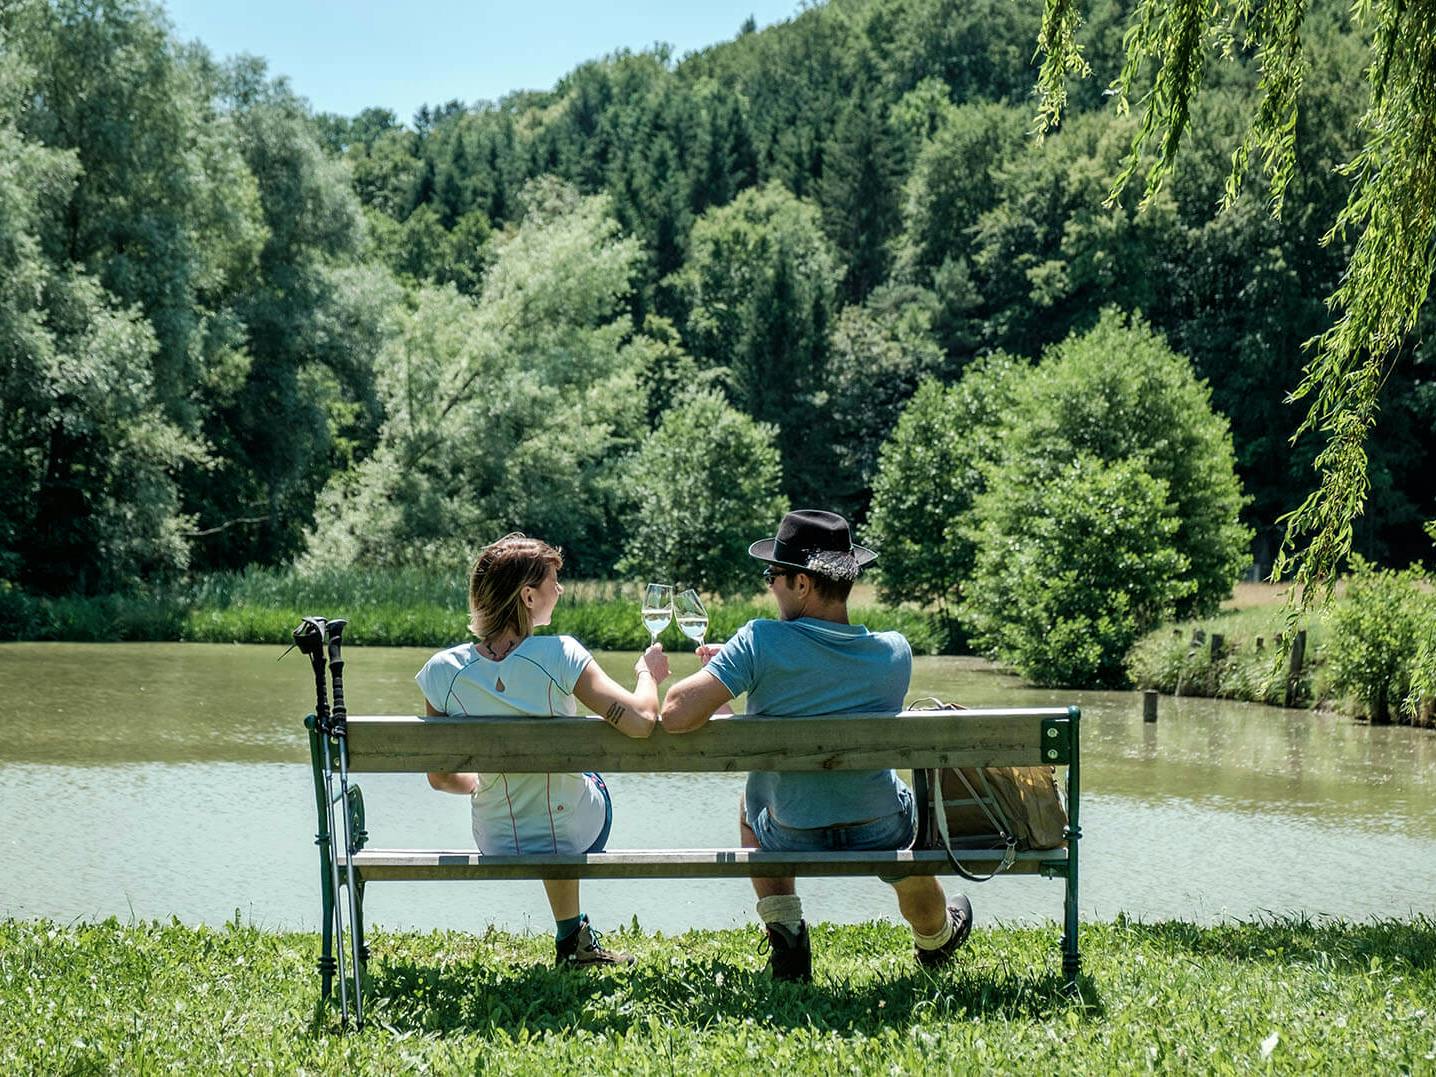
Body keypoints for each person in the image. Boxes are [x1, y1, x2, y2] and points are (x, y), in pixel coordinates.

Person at [659, 509, 971, 982]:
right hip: (881, 828)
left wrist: (737, 665)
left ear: (802, 583)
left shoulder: (759, 642)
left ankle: (787, 939)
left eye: (773, 576)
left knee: (749, 805)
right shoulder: (895, 651)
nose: (770, 586)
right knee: (905, 834)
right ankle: (936, 938)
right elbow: (823, 680)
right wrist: (743, 664)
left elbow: (675, 713)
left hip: (791, 831)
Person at [420, 533, 670, 968]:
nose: (561, 589)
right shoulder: (561, 655)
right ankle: (573, 938)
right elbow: (642, 721)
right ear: (528, 596)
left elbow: (441, 778)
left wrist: (480, 783)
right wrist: (648, 673)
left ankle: (574, 938)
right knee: (585, 782)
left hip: (496, 837)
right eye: (554, 581)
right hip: (570, 831)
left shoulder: (443, 672)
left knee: (534, 794)